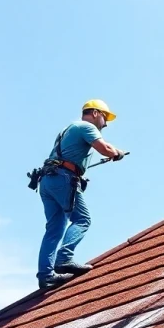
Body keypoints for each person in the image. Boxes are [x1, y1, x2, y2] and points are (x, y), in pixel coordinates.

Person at [34, 99, 125, 289]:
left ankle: (46, 276)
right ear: (95, 113)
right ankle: (64, 259)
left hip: (48, 180)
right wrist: (116, 152)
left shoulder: (68, 129)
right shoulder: (86, 126)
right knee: (83, 219)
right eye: (105, 117)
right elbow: (105, 149)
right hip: (63, 178)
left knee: (54, 229)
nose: (106, 124)